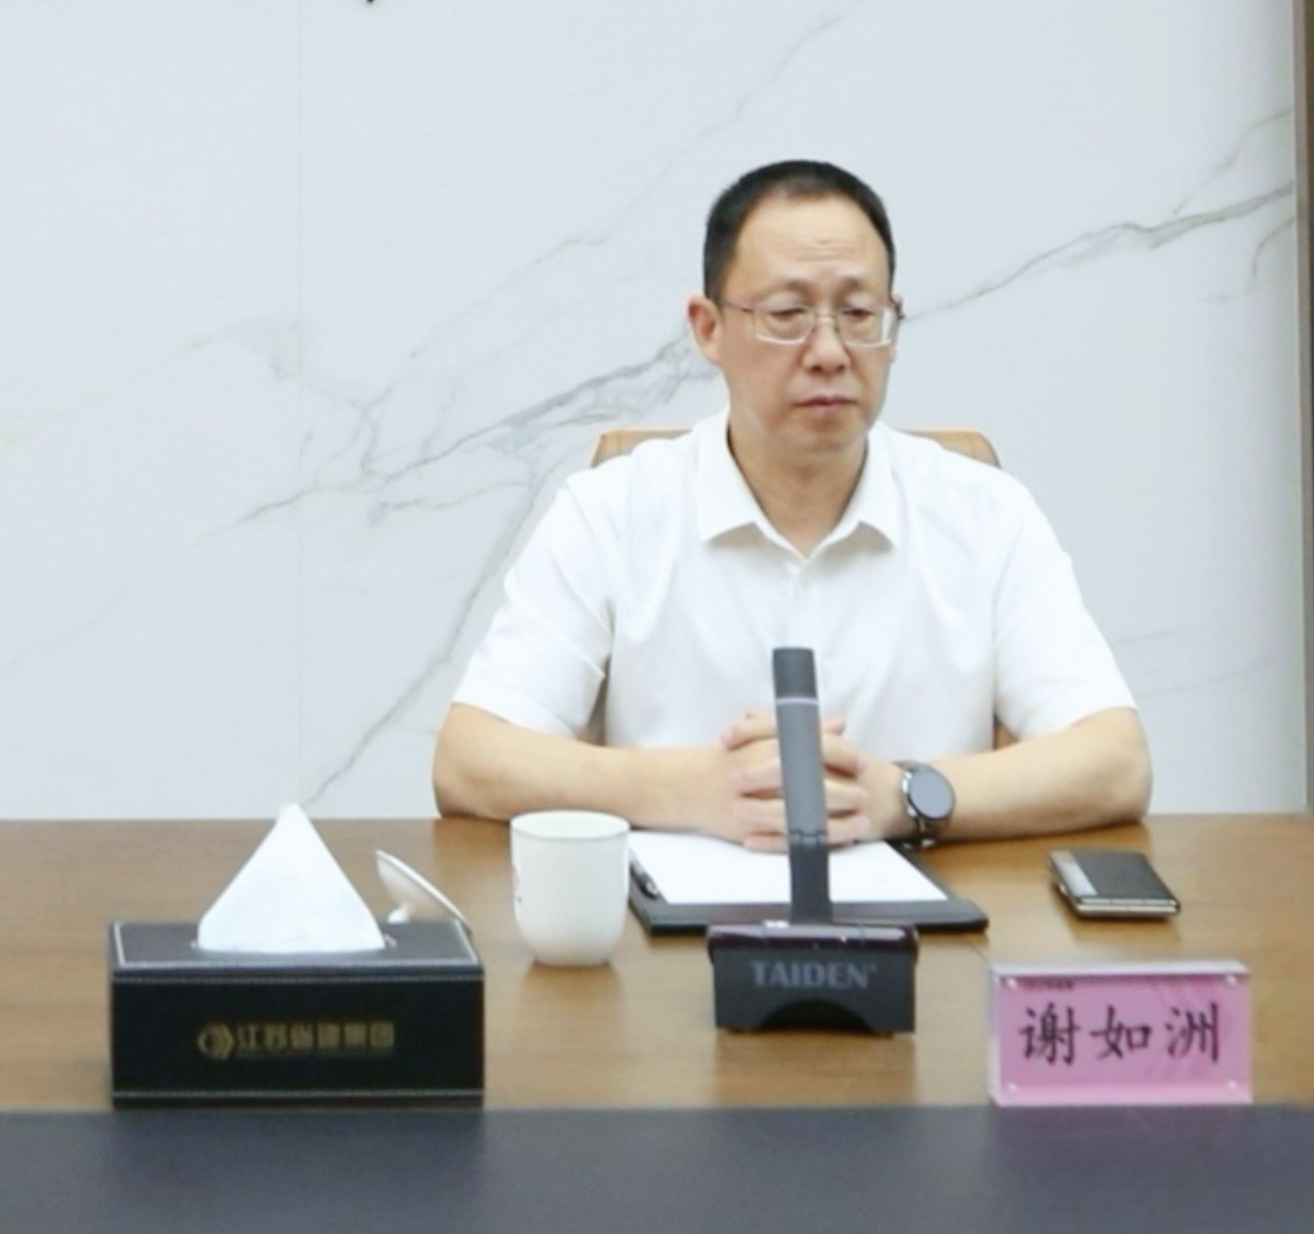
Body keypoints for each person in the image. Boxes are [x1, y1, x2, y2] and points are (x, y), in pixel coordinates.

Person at [433, 159, 1149, 849]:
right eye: (787, 314)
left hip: (933, 919)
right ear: (707, 328)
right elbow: (470, 759)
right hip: (668, 925)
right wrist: (696, 790)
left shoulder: (985, 515)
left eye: (859, 313)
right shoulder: (610, 513)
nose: (829, 351)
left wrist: (900, 795)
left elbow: (1116, 761)